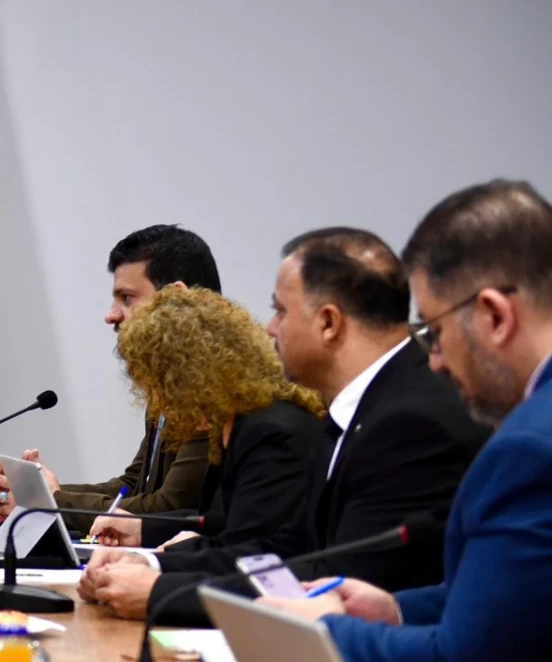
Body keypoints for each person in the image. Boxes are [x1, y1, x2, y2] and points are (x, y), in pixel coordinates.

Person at [81, 228, 486, 623]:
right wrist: (154, 564)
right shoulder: (362, 408)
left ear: (328, 323)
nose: (270, 329)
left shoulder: (407, 423)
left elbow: (334, 582)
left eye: (280, 311)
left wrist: (159, 591)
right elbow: (288, 546)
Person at [265, 180, 552, 662]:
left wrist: (323, 631)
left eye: (435, 332)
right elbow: (519, 599)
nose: (434, 360)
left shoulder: (528, 449)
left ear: (494, 316)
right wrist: (397, 609)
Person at [74, 286, 326, 618]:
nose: (158, 404)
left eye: (160, 387)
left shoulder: (272, 432)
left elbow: (253, 555)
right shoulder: (237, 422)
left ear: (192, 378)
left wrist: (152, 567)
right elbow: (218, 525)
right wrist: (142, 531)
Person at [0, 225, 220, 530]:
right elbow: (133, 485)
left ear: (177, 299)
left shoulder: (216, 388)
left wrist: (51, 502)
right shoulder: (171, 382)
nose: (111, 315)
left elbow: (167, 509)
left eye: (127, 298)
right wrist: (37, 494)